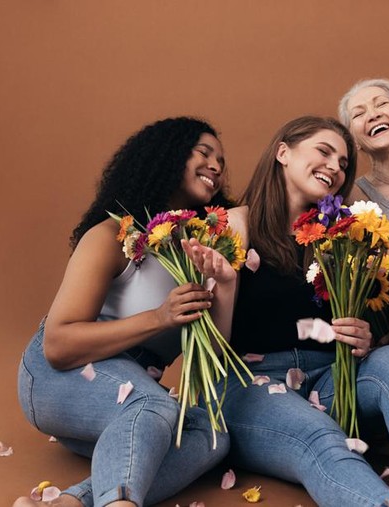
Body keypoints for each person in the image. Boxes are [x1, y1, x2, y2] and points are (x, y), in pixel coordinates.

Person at [184, 116, 389, 507]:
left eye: (343, 164)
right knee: (320, 437)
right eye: (324, 152)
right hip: (248, 386)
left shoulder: (340, 238)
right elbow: (209, 354)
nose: (335, 168)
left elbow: (312, 327)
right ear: (283, 152)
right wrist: (225, 286)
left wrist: (355, 336)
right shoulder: (232, 226)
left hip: (328, 380)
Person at [15, 117, 232, 507]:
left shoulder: (204, 252)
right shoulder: (112, 236)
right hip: (57, 379)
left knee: (211, 433)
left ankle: (71, 503)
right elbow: (58, 345)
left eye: (221, 161)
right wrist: (160, 318)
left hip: (128, 399)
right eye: (203, 153)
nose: (216, 166)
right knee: (152, 403)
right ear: (165, 156)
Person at [338, 78, 389, 218]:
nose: (373, 115)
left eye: (382, 103)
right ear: (354, 142)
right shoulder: (353, 197)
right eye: (359, 114)